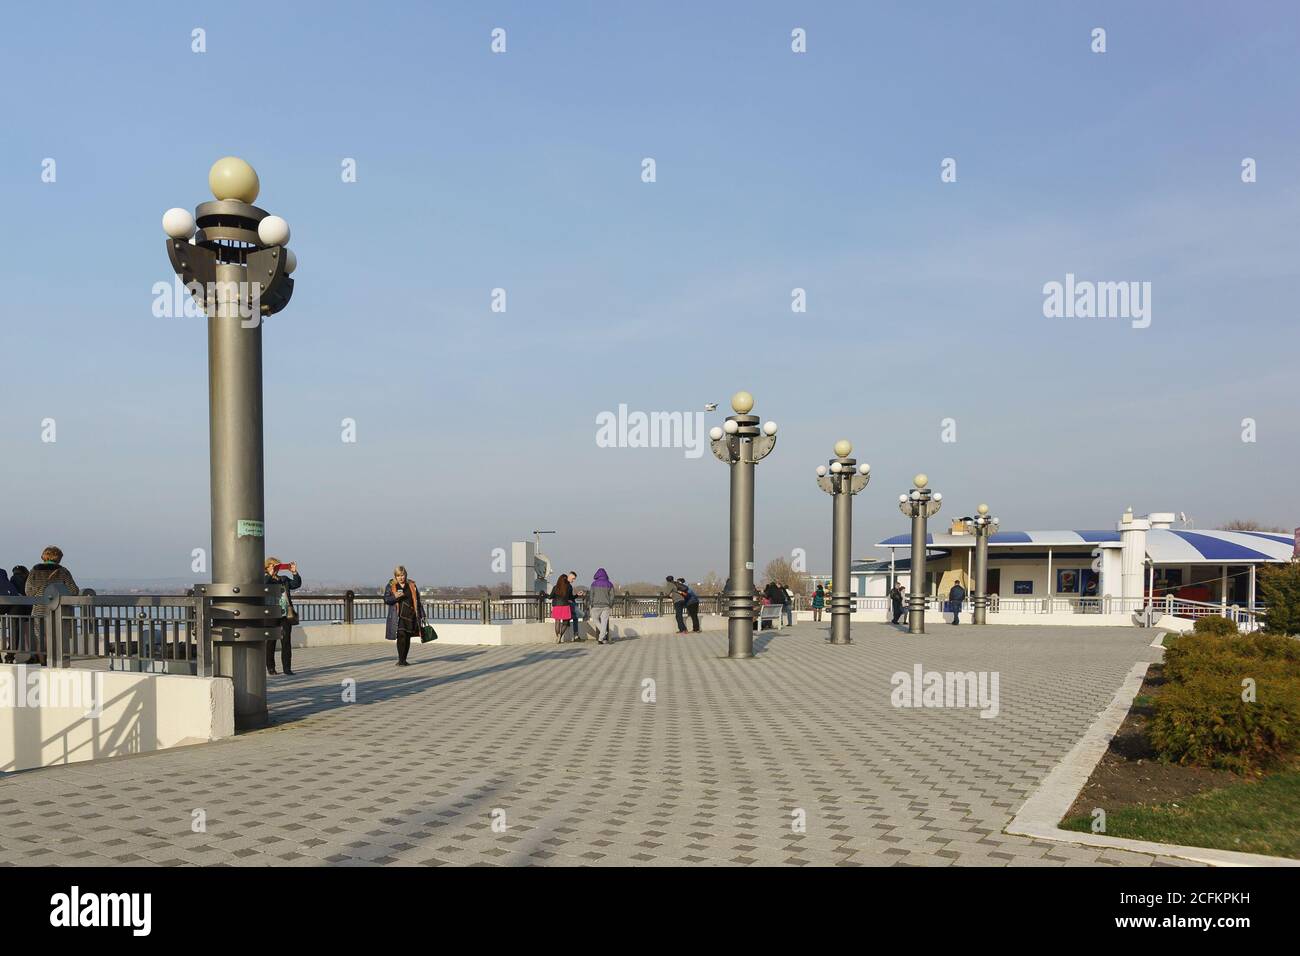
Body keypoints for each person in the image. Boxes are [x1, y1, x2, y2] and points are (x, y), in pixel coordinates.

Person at [264, 557, 301, 675]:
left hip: (285, 614)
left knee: (286, 641)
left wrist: (294, 572)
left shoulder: (283, 579)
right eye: (272, 565)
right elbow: (263, 585)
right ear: (267, 567)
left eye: (277, 566)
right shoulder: (264, 579)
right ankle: (271, 668)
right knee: (271, 641)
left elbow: (296, 584)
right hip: (270, 614)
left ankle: (287, 668)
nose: (275, 568)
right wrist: (270, 574)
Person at [384, 565, 424, 665]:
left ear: (406, 575)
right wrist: (395, 597)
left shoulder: (411, 585)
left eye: (403, 575)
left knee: (407, 637)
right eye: (399, 576)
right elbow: (386, 599)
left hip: (411, 615)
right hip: (398, 616)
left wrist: (422, 614)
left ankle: (404, 659)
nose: (401, 577)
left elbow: (417, 600)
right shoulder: (391, 585)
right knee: (401, 635)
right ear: (395, 576)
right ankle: (401, 660)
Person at [589, 568, 615, 643]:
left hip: (596, 605)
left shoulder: (594, 584)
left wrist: (591, 603)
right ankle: (602, 636)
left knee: (595, 619)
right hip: (606, 606)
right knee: (604, 621)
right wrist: (610, 604)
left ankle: (602, 635)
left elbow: (591, 595)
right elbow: (612, 596)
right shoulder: (609, 584)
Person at [550, 573, 575, 643]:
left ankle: (557, 635)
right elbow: (571, 598)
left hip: (557, 606)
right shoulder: (569, 587)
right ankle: (560, 636)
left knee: (557, 621)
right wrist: (576, 595)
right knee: (565, 622)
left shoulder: (555, 587)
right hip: (565, 606)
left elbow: (550, 596)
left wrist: (545, 594)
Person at [567, 571, 586, 641]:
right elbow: (565, 596)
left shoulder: (569, 585)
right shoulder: (566, 585)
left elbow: (571, 597)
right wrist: (568, 600)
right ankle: (568, 617)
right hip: (569, 604)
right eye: (573, 578)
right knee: (583, 614)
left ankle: (576, 636)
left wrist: (577, 595)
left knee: (575, 618)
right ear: (569, 576)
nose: (573, 580)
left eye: (574, 579)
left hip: (571, 603)